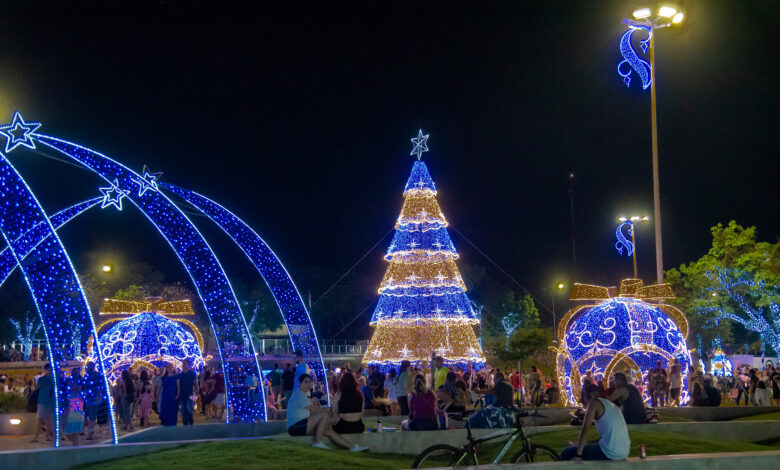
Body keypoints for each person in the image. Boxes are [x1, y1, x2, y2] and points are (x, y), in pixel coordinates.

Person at [287, 373, 368, 451]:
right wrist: (329, 409)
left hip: (299, 426)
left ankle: (352, 447)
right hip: (295, 427)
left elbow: (313, 412)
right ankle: (317, 442)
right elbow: (316, 410)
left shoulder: (301, 395)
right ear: (300, 384)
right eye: (306, 382)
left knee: (327, 430)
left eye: (309, 382)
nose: (309, 384)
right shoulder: (299, 395)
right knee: (324, 415)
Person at [561, 384, 630, 461]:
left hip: (609, 453)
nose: (582, 402)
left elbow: (585, 429)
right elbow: (604, 438)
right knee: (581, 448)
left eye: (583, 398)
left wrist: (578, 454)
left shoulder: (594, 403)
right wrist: (585, 444)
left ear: (588, 396)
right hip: (623, 453)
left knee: (566, 452)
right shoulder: (610, 405)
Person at [176, 359, 197, 426]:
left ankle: (190, 421)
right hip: (182, 394)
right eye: (183, 364)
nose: (183, 365)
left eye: (185, 364)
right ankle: (185, 423)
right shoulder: (180, 375)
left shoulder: (192, 373)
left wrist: (196, 393)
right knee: (183, 410)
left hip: (190, 394)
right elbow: (178, 385)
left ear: (188, 365)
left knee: (188, 408)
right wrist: (178, 394)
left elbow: (196, 384)